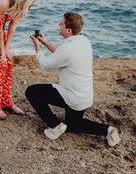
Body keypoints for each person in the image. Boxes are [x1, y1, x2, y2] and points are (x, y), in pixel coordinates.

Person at [25, 12, 121, 146]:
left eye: (61, 23)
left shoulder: (68, 49)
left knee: (31, 91)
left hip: (72, 95)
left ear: (68, 30)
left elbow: (46, 64)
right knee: (74, 125)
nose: (59, 24)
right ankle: (108, 130)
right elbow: (62, 55)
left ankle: (55, 126)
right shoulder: (83, 41)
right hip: (84, 96)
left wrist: (38, 48)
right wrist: (46, 43)